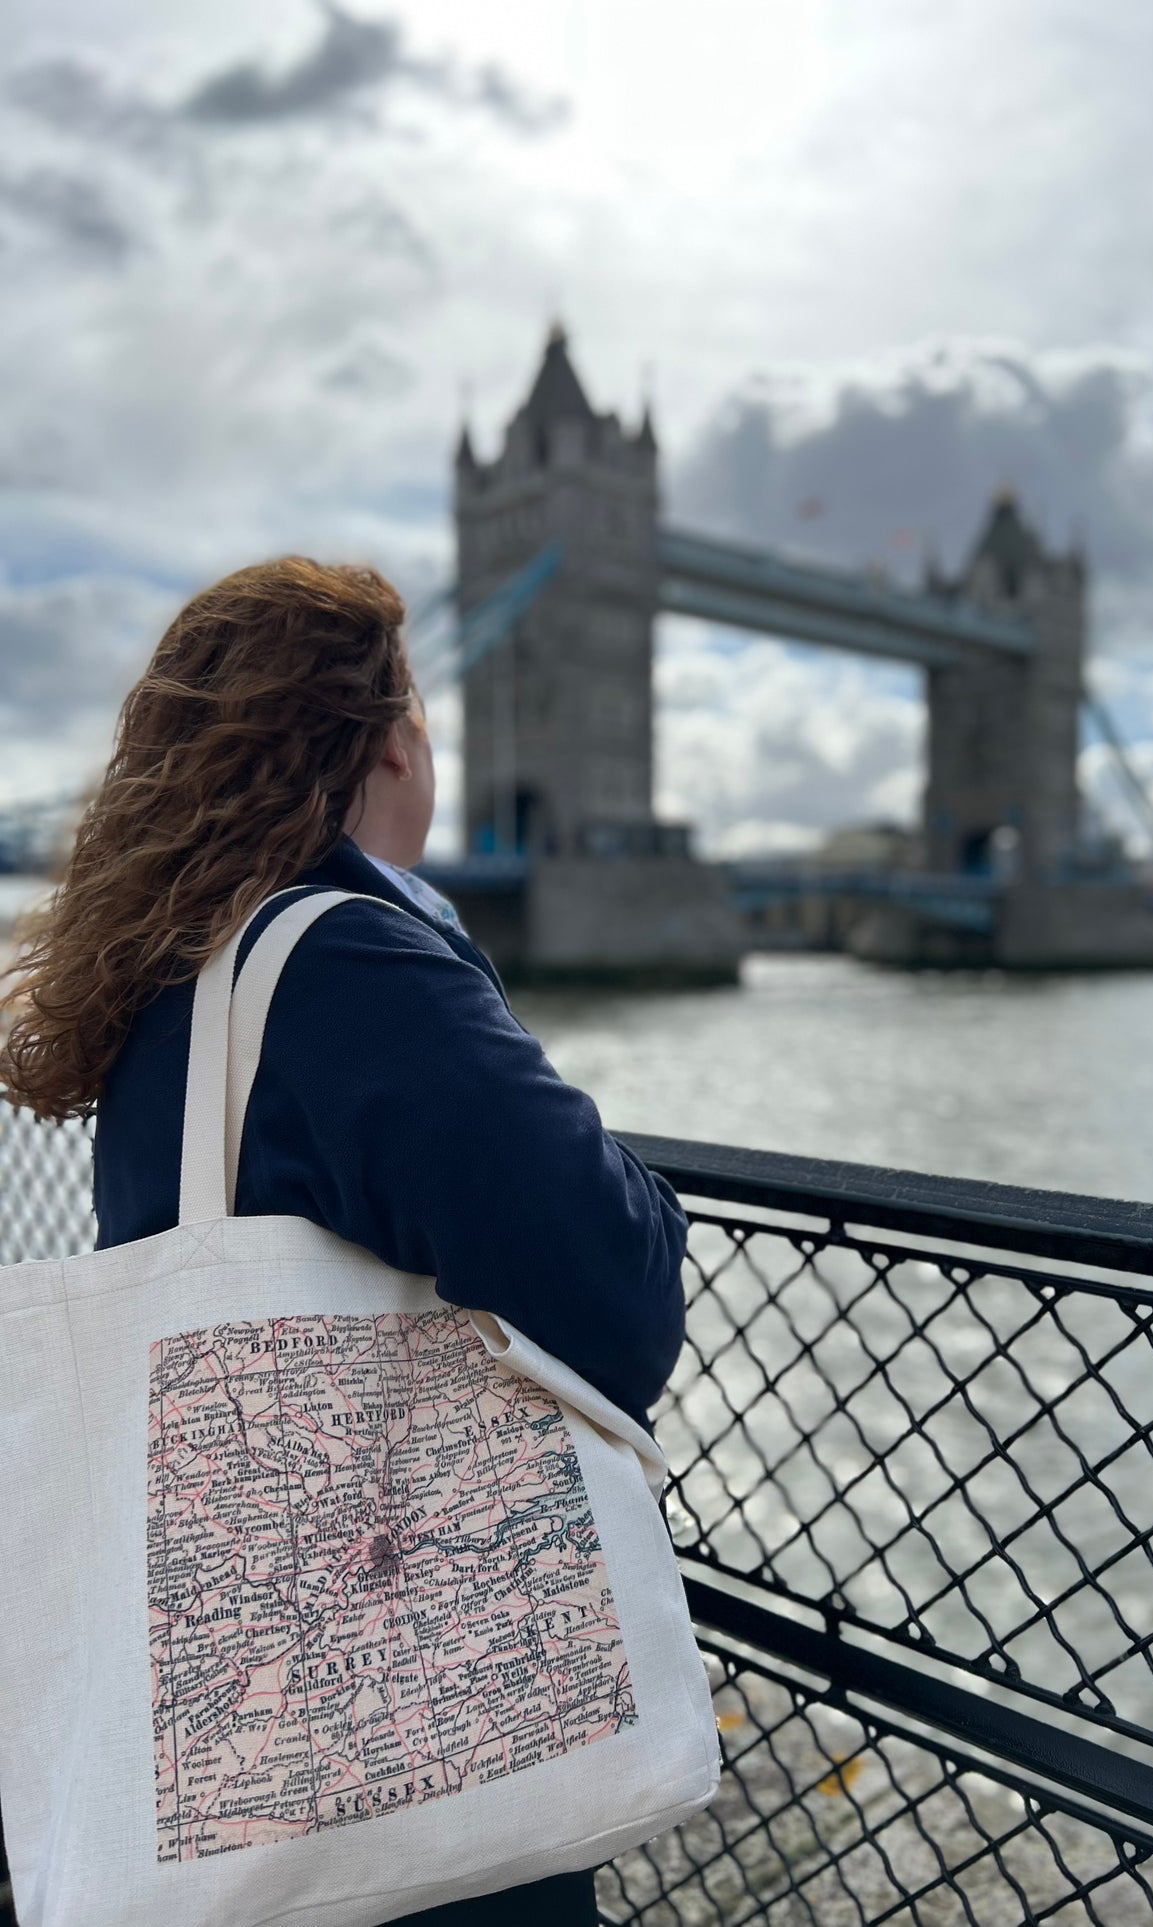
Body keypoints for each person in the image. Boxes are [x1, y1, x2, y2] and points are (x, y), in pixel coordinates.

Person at [0, 556, 691, 1927]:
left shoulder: (172, 976)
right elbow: (615, 1298)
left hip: (229, 1668)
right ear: (387, 742)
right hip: (408, 1723)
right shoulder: (355, 964)